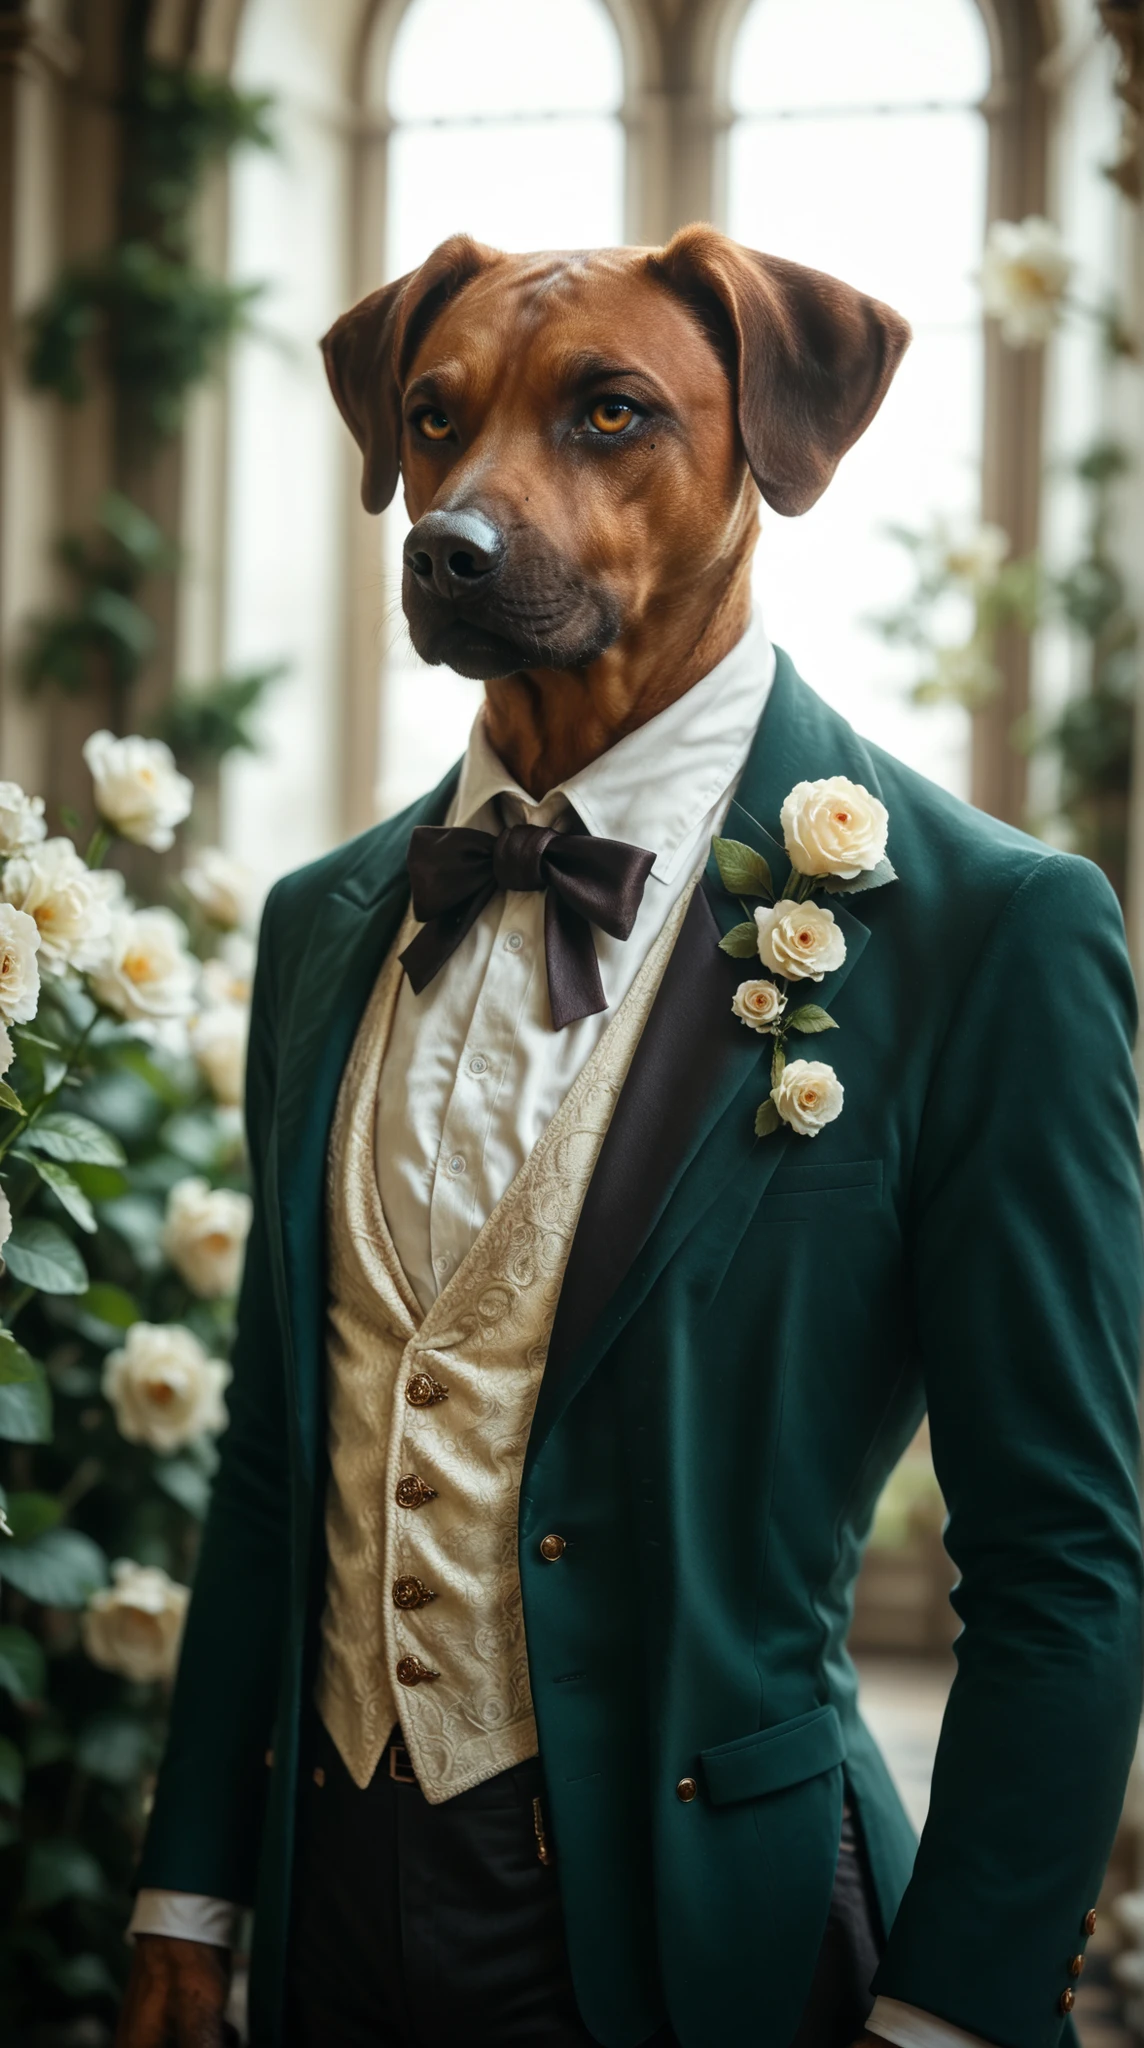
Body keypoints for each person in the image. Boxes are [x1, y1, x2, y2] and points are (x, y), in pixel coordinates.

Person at [116, 230, 1144, 2048]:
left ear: (775, 438)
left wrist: (956, 2016)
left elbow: (1065, 1566)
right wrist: (190, 1892)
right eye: (439, 433)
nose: (475, 505)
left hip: (706, 1937)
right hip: (325, 1909)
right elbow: (287, 1454)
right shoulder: (321, 923)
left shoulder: (989, 936)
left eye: (608, 420)